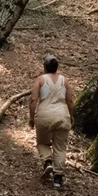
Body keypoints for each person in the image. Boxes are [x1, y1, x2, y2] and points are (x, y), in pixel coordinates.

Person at [29, 53, 74, 187]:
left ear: (44, 67)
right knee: (60, 147)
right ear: (56, 67)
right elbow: (70, 100)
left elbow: (33, 100)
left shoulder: (40, 80)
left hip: (44, 116)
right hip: (62, 116)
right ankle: (58, 179)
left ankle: (48, 162)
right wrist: (71, 115)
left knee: (42, 143)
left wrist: (31, 117)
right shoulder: (64, 80)